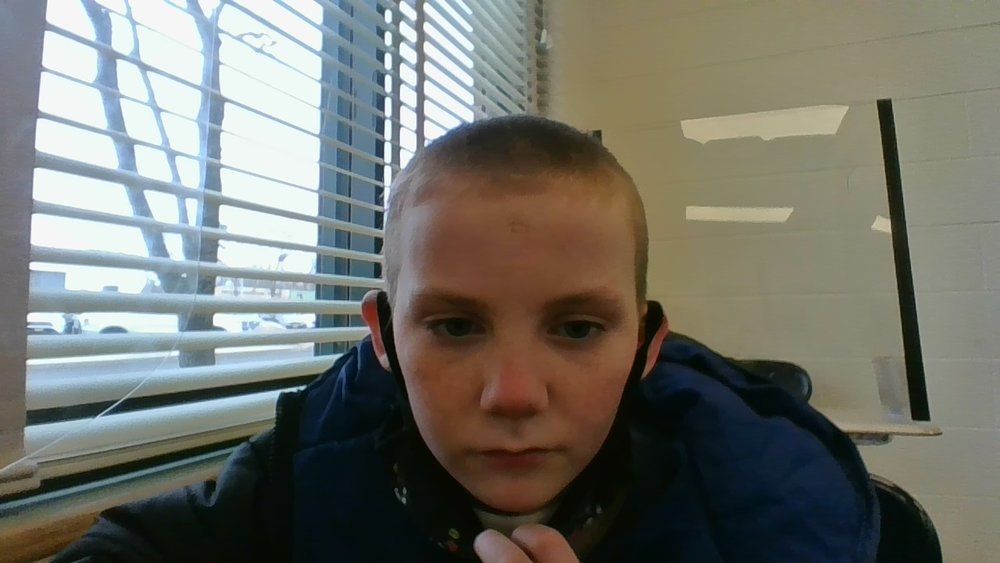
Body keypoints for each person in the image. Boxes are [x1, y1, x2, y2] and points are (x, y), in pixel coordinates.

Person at [55, 116, 878, 562]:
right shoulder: (300, 475)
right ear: (384, 338)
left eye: (577, 328)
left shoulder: (771, 513)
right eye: (455, 326)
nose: (513, 394)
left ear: (646, 346)